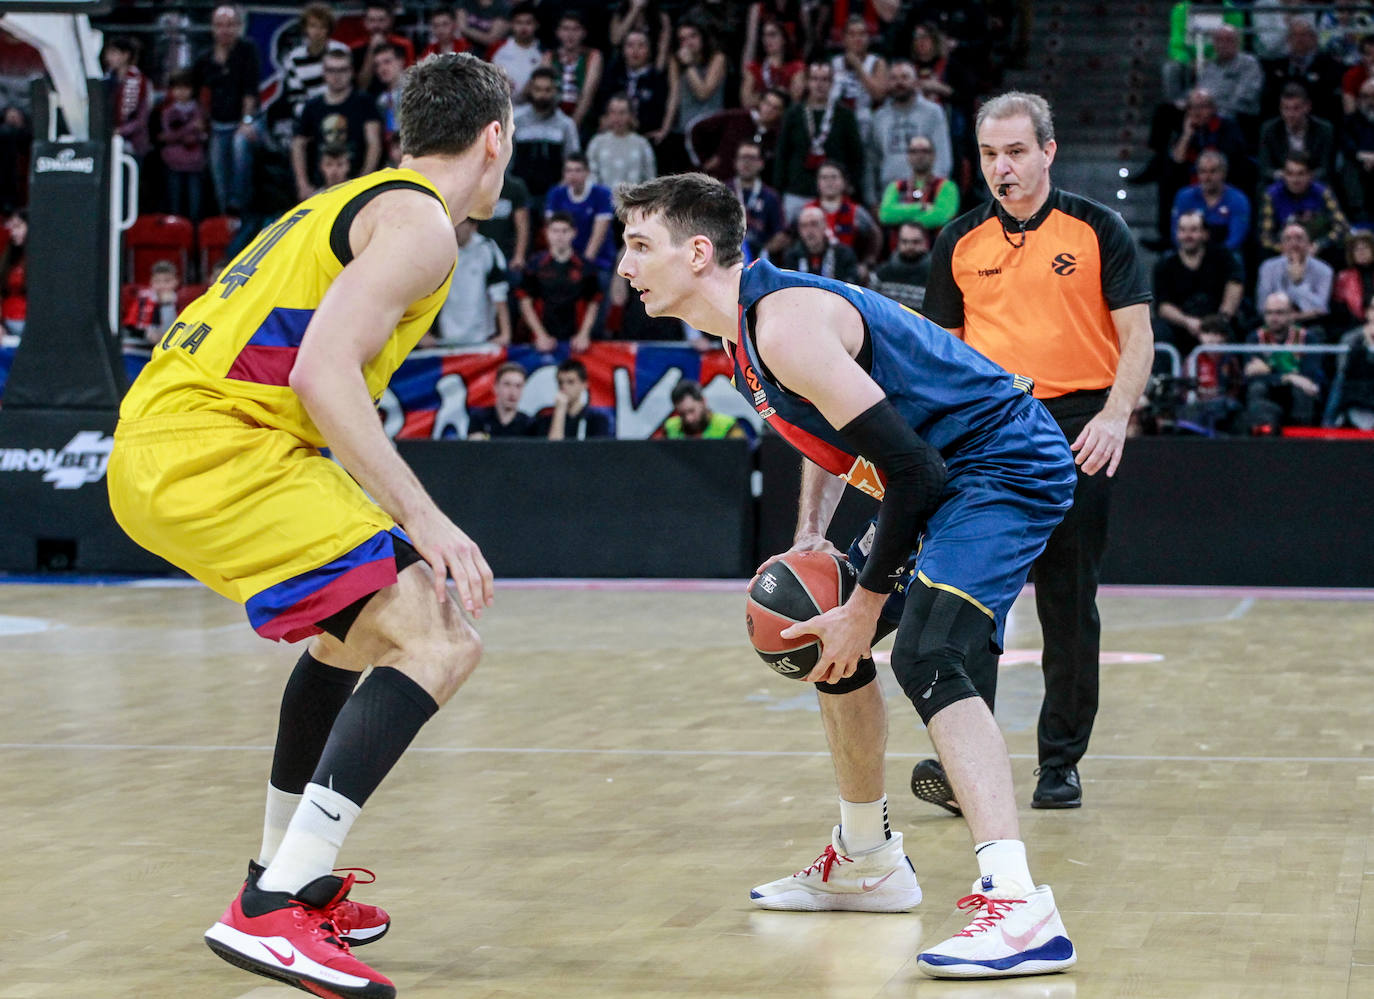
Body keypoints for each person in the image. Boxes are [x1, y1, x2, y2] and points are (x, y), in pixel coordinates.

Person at [106, 53, 512, 999]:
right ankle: (273, 907)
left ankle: (279, 874)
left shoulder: (366, 198)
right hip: (213, 446)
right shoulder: (422, 227)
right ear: (494, 139)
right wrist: (428, 518)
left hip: (174, 442)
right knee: (438, 635)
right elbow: (320, 374)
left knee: (352, 638)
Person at [615, 171, 1078, 980]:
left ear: (697, 252)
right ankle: (867, 859)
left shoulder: (784, 321)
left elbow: (915, 470)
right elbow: (842, 436)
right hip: (940, 471)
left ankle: (1020, 903)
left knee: (928, 652)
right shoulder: (740, 338)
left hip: (1002, 462)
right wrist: (811, 540)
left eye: (638, 244)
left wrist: (866, 601)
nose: (625, 263)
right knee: (819, 637)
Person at [921, 92, 1154, 811]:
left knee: (1067, 602)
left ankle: (1061, 762)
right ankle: (971, 769)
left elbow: (1138, 337)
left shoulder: (1098, 229)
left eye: (1016, 151)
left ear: (1048, 151)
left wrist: (1117, 416)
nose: (1002, 167)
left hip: (1079, 424)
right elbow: (941, 353)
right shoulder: (957, 241)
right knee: (973, 602)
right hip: (989, 429)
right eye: (990, 154)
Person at [192, 5, 261, 216]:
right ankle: (225, 220)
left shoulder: (247, 51)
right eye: (220, 25)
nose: (225, 30)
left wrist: (246, 121)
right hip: (216, 124)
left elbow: (250, 91)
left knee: (240, 145)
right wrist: (200, 120)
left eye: (230, 25)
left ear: (238, 27)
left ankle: (240, 207)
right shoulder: (204, 58)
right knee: (218, 174)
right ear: (213, 28)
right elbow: (200, 92)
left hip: (244, 121)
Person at [773, 61, 863, 221]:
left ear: (832, 83)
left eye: (824, 79)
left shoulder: (845, 115)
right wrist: (779, 189)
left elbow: (856, 156)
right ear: (807, 82)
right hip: (797, 192)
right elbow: (782, 153)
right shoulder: (793, 114)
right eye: (815, 79)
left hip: (833, 196)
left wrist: (850, 186)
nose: (819, 84)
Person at [292, 49, 383, 201]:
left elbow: (374, 143)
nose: (337, 75)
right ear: (324, 73)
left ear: (351, 72)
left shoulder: (364, 102)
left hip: (357, 184)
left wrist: (364, 182)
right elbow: (297, 145)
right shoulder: (312, 106)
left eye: (342, 69)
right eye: (331, 70)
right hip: (321, 188)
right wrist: (303, 185)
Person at [1153, 211, 1244, 354]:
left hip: (1218, 321)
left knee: (1237, 328)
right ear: (1177, 234)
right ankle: (1163, 376)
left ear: (1205, 234)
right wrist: (1188, 322)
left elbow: (1235, 285)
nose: (1188, 236)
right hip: (1181, 324)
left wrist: (1219, 322)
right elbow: (1163, 306)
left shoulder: (1223, 257)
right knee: (1158, 331)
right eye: (1183, 230)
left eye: (1194, 230)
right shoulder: (1165, 264)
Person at [867, 60, 953, 205]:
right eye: (894, 78)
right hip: (889, 195)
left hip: (927, 193)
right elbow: (871, 162)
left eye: (905, 77)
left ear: (915, 81)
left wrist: (936, 192)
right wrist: (872, 200)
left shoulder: (932, 112)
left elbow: (942, 156)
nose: (899, 82)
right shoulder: (879, 117)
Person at [516, 211, 601, 352]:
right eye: (555, 231)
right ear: (546, 233)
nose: (559, 236)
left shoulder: (586, 266)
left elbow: (593, 301)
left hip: (575, 339)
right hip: (541, 339)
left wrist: (584, 334)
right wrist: (540, 335)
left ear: (574, 233)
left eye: (564, 231)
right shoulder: (535, 264)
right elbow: (525, 302)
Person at [1244, 291, 1327, 429]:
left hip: (1296, 391)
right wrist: (1289, 376)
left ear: (1291, 315)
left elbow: (1309, 375)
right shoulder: (1255, 338)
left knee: (1304, 389)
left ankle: (1301, 440)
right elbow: (1252, 377)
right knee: (1257, 388)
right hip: (1270, 390)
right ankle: (1259, 435)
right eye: (1269, 313)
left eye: (1279, 313)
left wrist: (1269, 370)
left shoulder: (1308, 338)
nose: (1273, 318)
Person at [429, 217, 511, 346]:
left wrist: (505, 334)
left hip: (483, 334)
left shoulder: (487, 248)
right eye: (452, 224)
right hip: (446, 334)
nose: (455, 228)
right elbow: (427, 293)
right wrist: (425, 334)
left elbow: (499, 293)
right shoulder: (438, 251)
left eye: (460, 224)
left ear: (473, 226)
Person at [512, 66, 581, 205]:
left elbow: (572, 162)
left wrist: (559, 193)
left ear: (556, 91)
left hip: (555, 196)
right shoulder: (515, 120)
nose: (542, 95)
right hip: (519, 196)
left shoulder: (566, 125)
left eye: (548, 90)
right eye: (538, 89)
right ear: (531, 90)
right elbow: (506, 161)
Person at [276, 3, 351, 130]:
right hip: (310, 116)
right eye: (313, 26)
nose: (317, 31)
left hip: (342, 112)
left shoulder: (342, 51)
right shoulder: (294, 58)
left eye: (322, 27)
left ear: (329, 29)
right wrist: (312, 118)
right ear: (305, 29)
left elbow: (348, 88)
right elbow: (296, 98)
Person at [1169, 149, 1251, 254]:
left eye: (1213, 171)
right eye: (1202, 171)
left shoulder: (1238, 199)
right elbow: (1176, 232)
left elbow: (1236, 238)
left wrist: (1211, 258)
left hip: (1224, 254)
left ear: (1223, 173)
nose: (1207, 177)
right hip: (1190, 251)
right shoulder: (1184, 196)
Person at [877, 135, 960, 236]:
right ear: (908, 156)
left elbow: (942, 216)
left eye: (925, 151)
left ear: (933, 155)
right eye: (914, 151)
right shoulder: (895, 186)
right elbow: (885, 215)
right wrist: (921, 208)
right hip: (900, 249)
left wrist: (903, 218)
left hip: (936, 247)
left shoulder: (947, 186)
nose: (919, 155)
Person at [1256, 221, 1334, 327]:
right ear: (1282, 245)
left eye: (1299, 238)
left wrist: (1298, 284)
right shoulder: (1268, 267)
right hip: (1273, 322)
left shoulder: (1324, 270)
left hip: (1310, 324)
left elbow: (1321, 309)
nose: (1294, 243)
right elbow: (1262, 306)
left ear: (1309, 243)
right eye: (1288, 239)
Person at [157, 70, 208, 223]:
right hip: (173, 163)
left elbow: (202, 135)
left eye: (185, 88)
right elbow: (168, 136)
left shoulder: (200, 110)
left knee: (195, 206)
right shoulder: (167, 112)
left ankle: (195, 238)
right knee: (175, 205)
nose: (181, 92)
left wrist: (188, 134)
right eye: (177, 88)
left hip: (195, 164)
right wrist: (191, 128)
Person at [1258, 83, 1336, 183]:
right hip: (1281, 182)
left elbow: (1326, 168)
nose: (1290, 114)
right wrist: (1287, 177)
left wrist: (1303, 178)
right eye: (1286, 108)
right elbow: (1265, 168)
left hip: (1313, 183)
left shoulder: (1324, 129)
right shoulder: (1269, 129)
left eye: (1296, 108)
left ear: (1307, 107)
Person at [544, 10, 603, 133]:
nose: (570, 34)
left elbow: (587, 96)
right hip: (553, 117)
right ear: (558, 32)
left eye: (576, 29)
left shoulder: (593, 56)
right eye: (565, 29)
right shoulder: (549, 56)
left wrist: (571, 127)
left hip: (583, 118)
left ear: (584, 33)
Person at [585, 94, 657, 189]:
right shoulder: (597, 142)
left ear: (631, 115)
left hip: (633, 201)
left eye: (622, 113)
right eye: (613, 112)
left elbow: (650, 180)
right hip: (603, 201)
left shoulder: (642, 144)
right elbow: (590, 177)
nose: (617, 117)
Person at [730, 140, 784, 260]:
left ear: (761, 163)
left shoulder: (771, 196)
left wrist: (763, 252)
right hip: (727, 255)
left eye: (752, 158)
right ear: (735, 162)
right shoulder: (723, 191)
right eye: (743, 157)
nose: (747, 163)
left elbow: (780, 233)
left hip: (760, 258)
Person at [781, 204, 860, 284]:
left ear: (825, 225)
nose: (809, 231)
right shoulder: (792, 256)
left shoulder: (843, 254)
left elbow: (852, 284)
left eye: (814, 224)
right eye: (804, 226)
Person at [536, 357, 613, 438]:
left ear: (584, 384)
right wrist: (560, 411)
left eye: (570, 382)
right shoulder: (546, 421)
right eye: (560, 382)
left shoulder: (596, 420)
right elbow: (552, 449)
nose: (564, 387)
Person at [869, 221, 931, 312]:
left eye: (916, 242)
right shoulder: (881, 274)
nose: (910, 246)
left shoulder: (936, 276)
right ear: (898, 242)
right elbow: (872, 308)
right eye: (904, 241)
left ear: (925, 242)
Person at [491, 3, 543, 103]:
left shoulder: (544, 53)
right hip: (502, 105)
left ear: (536, 25)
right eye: (518, 22)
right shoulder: (497, 47)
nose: (523, 27)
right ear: (511, 24)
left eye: (528, 23)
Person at [468, 361, 536, 437]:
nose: (512, 392)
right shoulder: (479, 419)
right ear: (496, 387)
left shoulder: (529, 424)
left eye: (518, 386)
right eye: (507, 384)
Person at [124, 259, 183, 345]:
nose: (162, 285)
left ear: (176, 282)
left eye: (167, 281)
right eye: (157, 281)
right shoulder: (142, 300)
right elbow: (129, 327)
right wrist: (146, 334)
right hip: (143, 346)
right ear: (151, 282)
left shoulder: (182, 302)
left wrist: (167, 305)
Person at [662, 378, 745, 438]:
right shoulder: (670, 428)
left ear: (703, 401)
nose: (688, 419)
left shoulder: (728, 426)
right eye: (682, 414)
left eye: (691, 411)